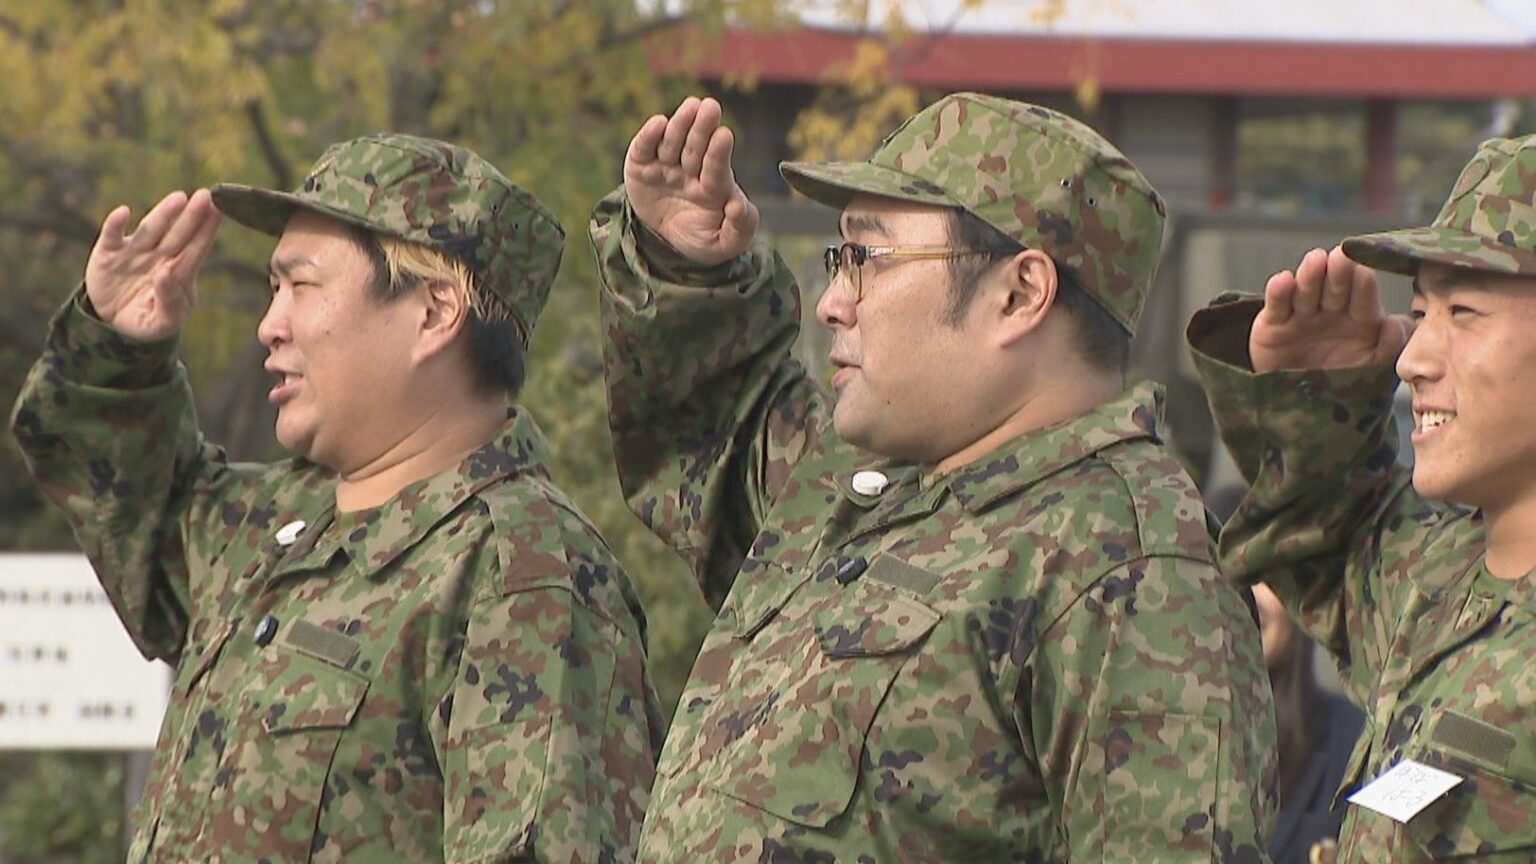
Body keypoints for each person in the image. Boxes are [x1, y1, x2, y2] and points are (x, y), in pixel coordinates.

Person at [590, 93, 1276, 861]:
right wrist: (689, 269)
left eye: (867, 259)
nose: (833, 303)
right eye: (837, 259)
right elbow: (719, 441)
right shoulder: (877, 492)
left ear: (1018, 294)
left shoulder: (1131, 572)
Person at [9, 134, 661, 863]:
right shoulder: (275, 529)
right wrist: (119, 353)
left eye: (302, 286)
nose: (270, 324)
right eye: (272, 289)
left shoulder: (524, 577)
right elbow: (132, 510)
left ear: (435, 310)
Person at [1188, 135, 1536, 862]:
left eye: (1463, 311)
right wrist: (1315, 395)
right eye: (1420, 310)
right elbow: (1321, 536)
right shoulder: (1445, 582)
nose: (1412, 356)